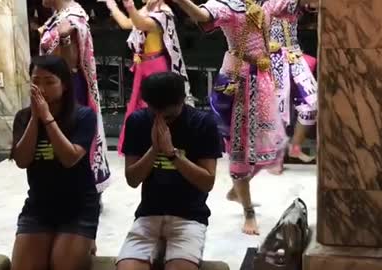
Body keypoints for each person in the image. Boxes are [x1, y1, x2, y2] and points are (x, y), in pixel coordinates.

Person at [162, 0, 291, 235]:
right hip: (238, 85)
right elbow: (202, 14)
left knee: (272, 146)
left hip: (262, 81)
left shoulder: (262, 3)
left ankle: (238, 189)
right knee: (240, 149)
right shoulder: (228, 7)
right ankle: (248, 211)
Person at [117, 72, 222, 270]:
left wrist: (172, 154)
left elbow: (207, 182)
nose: (160, 120)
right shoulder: (137, 121)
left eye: (168, 116)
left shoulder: (202, 123)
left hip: (189, 217)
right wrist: (154, 149)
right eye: (153, 112)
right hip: (148, 214)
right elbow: (132, 179)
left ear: (183, 100)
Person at [10, 55, 100, 270]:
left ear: (65, 85)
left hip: (78, 207)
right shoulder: (23, 117)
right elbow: (22, 161)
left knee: (63, 264)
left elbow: (69, 158)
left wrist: (47, 119)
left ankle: (85, 241)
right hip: (39, 207)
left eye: (49, 82)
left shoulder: (84, 116)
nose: (41, 88)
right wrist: (35, 118)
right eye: (36, 81)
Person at [38, 0, 111, 253]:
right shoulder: (59, 15)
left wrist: (65, 37)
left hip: (67, 90)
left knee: (74, 148)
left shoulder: (73, 16)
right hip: (54, 87)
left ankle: (83, 223)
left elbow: (69, 64)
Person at [101, 0, 194, 154]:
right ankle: (144, 147)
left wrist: (129, 5)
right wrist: (111, 5)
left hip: (156, 66)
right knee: (141, 108)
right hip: (144, 65)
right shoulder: (147, 9)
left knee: (154, 108)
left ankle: (160, 146)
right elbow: (127, 23)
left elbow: (141, 24)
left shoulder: (163, 11)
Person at [268, 0, 317, 171]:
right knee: (277, 107)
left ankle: (295, 146)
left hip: (293, 54)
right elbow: (267, 11)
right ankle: (276, 157)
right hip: (271, 55)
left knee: (312, 103)